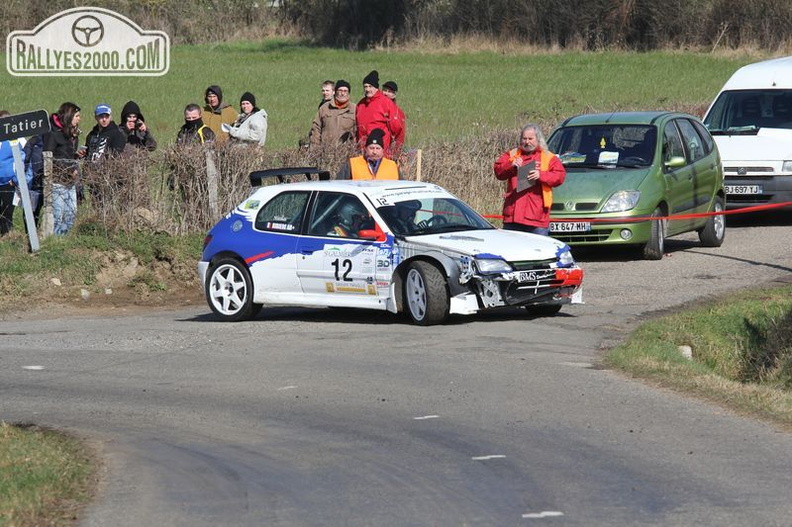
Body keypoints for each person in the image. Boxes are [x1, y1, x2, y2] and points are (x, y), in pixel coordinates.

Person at [493, 123, 566, 235]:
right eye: (524, 138)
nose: (527, 142)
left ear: (538, 139)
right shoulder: (512, 154)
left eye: (530, 139)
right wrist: (511, 165)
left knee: (539, 251)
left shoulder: (548, 157)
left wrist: (540, 175)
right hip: (512, 217)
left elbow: (560, 176)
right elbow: (498, 171)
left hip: (537, 217)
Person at [43, 102, 82, 235]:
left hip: (70, 182)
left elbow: (67, 155)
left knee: (71, 214)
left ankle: (62, 240)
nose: (79, 119)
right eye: (76, 116)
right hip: (57, 182)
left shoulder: (73, 136)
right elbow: (48, 158)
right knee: (57, 217)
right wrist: (68, 170)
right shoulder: (54, 135)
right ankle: (54, 241)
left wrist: (76, 155)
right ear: (69, 116)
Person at [355, 70, 404, 158]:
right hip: (363, 153)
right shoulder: (360, 105)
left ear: (376, 88)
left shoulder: (386, 103)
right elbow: (357, 129)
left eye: (370, 86)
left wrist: (395, 152)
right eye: (365, 86)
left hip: (381, 153)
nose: (367, 89)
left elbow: (398, 129)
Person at [0, 111, 28, 235]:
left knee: (7, 209)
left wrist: (17, 177)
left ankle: (6, 235)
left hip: (9, 181)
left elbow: (26, 158)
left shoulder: (18, 139)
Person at [336, 128, 401, 180]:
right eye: (371, 148)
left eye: (378, 148)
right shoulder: (352, 164)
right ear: (365, 149)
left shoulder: (393, 166)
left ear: (383, 150)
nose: (375, 152)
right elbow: (339, 185)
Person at [310, 79, 356, 149]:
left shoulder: (355, 109)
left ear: (348, 93)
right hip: (326, 151)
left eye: (345, 91)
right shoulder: (324, 108)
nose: (342, 93)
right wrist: (315, 149)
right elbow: (316, 129)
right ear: (335, 92)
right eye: (340, 90)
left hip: (347, 152)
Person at [382, 80, 406, 153]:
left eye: (389, 91)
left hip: (388, 149)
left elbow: (400, 135)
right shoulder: (376, 106)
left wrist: (395, 152)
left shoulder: (398, 113)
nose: (386, 93)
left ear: (394, 95)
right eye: (385, 90)